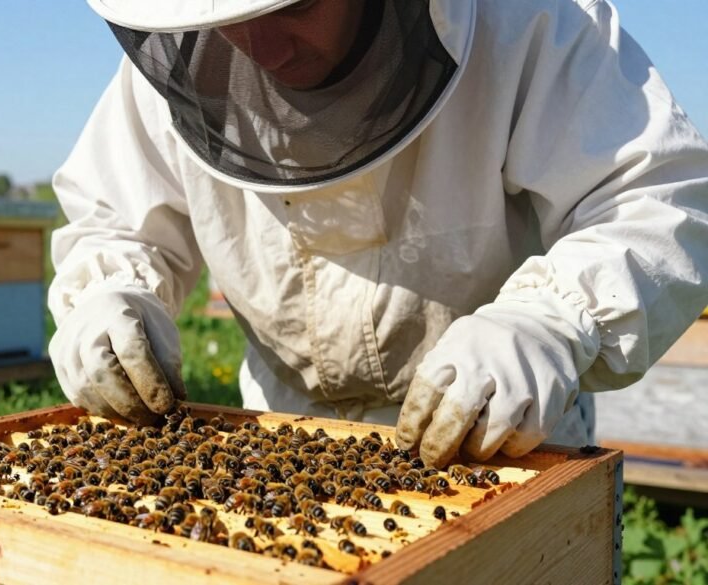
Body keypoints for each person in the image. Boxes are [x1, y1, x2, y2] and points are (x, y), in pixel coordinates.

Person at [47, 0, 708, 467]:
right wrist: (109, 298)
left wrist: (552, 321)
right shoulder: (189, 49)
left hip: (504, 439)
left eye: (295, 7)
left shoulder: (527, 23)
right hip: (281, 444)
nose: (262, 49)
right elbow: (114, 219)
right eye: (230, 22)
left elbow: (654, 198)